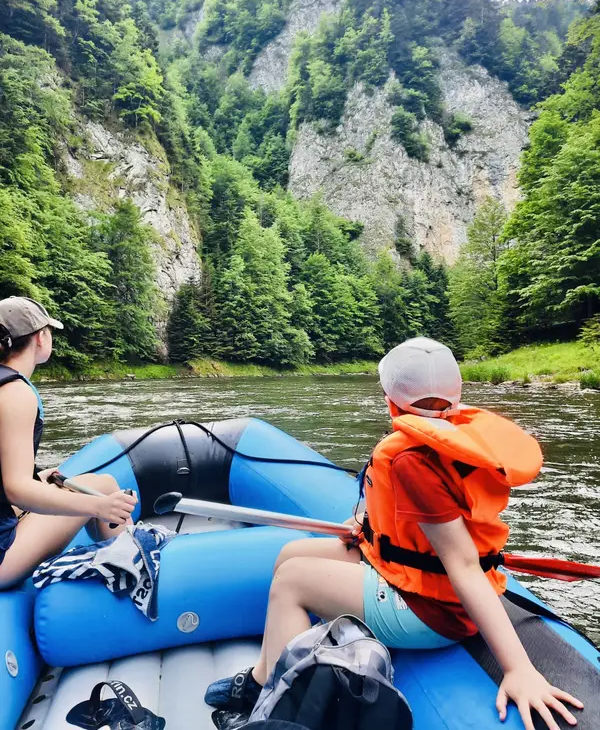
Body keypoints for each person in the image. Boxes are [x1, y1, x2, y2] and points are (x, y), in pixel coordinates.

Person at [204, 337, 583, 730]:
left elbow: (465, 566)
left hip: (434, 610)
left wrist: (518, 668)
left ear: (390, 401)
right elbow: (407, 526)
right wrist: (369, 529)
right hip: (401, 572)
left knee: (291, 581)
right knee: (290, 555)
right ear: (455, 399)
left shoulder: (411, 461)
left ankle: (279, 709)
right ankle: (261, 679)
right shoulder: (436, 439)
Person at [0, 296, 137, 589]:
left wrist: (37, 478)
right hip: (2, 560)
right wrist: (99, 507)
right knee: (105, 487)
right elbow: (15, 489)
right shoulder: (16, 393)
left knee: (81, 486)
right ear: (40, 338)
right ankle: (138, 577)